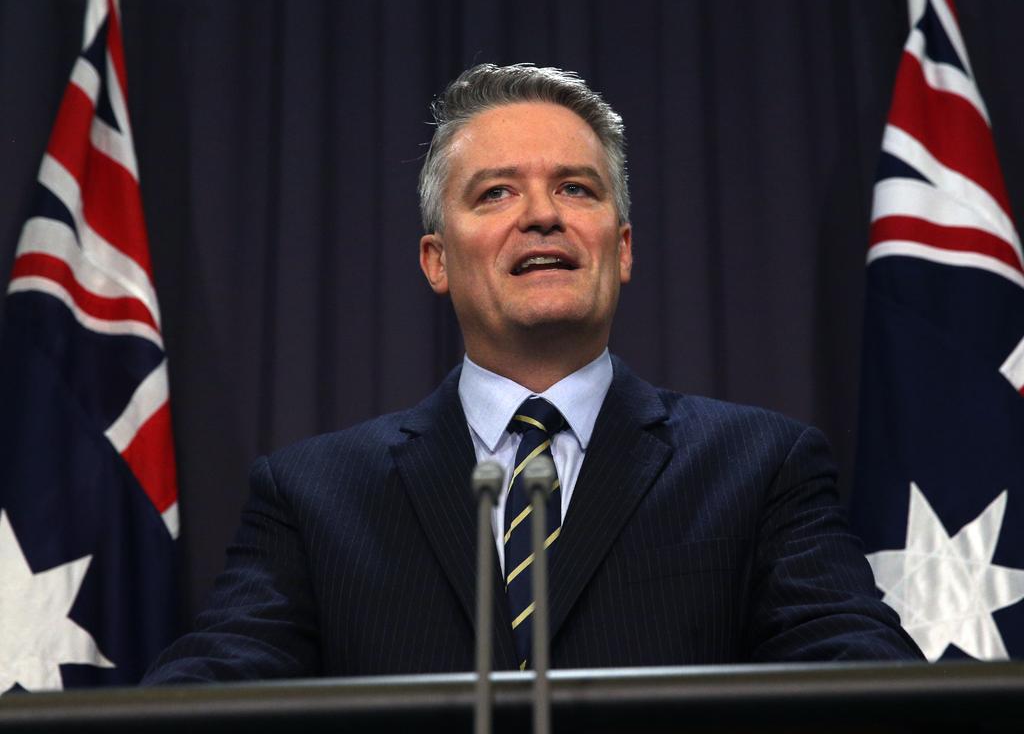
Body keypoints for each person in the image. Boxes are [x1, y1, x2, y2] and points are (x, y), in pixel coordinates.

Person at [144, 63, 922, 683]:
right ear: (436, 261)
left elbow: (860, 677)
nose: (542, 215)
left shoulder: (760, 469)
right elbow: (212, 687)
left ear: (620, 249)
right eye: (496, 193)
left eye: (575, 189)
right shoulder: (313, 497)